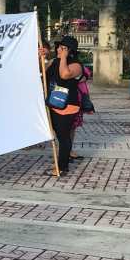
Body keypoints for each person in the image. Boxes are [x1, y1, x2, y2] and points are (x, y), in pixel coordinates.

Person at [45, 36, 82, 176]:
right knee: (58, 135)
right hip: (53, 103)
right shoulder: (54, 62)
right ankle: (60, 163)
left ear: (70, 51)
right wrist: (42, 56)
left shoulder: (77, 65)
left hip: (67, 106)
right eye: (58, 47)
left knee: (64, 137)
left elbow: (65, 74)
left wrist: (64, 58)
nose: (59, 49)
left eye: (63, 48)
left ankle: (62, 167)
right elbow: (40, 70)